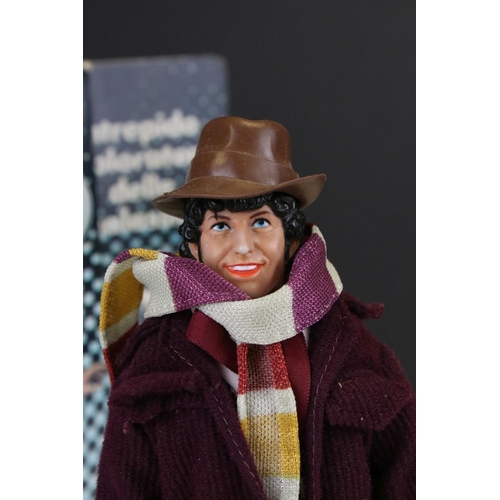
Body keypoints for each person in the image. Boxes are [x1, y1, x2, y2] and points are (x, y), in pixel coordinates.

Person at [96, 116, 416, 500]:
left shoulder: (353, 349)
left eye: (261, 222)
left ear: (291, 239)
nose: (243, 245)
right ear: (194, 246)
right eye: (221, 227)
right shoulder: (159, 360)